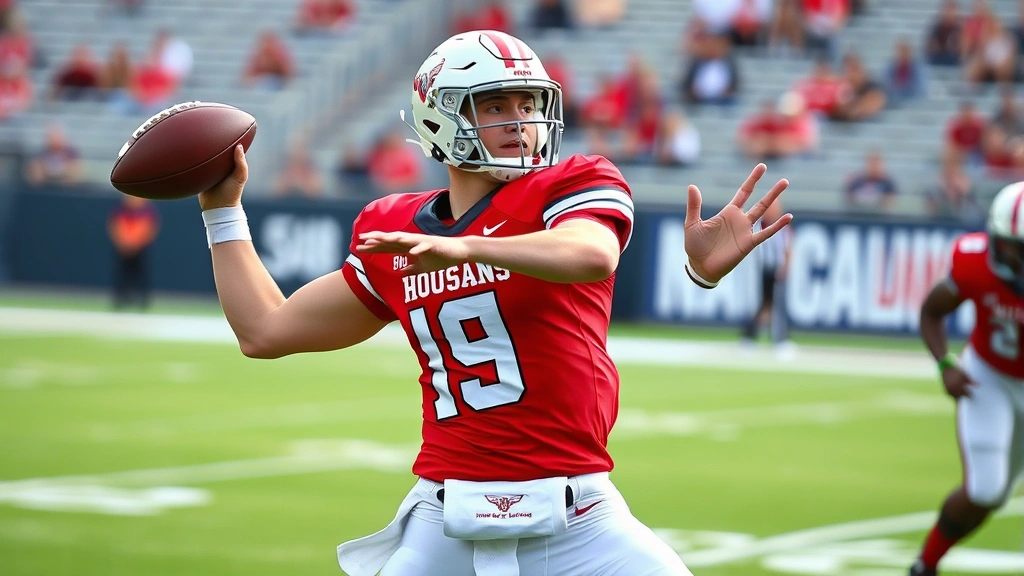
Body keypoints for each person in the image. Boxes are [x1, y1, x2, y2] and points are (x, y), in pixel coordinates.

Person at [195, 30, 792, 576]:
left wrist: (465, 250)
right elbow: (266, 331)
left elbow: (592, 253)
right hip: (443, 519)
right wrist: (223, 210)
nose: (521, 121)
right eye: (497, 105)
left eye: (529, 104)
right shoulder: (395, 228)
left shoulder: (571, 183)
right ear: (442, 115)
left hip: (579, 517)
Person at [909, 181, 1024, 576]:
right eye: (1011, 245)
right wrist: (945, 364)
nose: (1016, 257)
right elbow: (931, 311)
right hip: (989, 377)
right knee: (985, 490)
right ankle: (925, 566)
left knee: (998, 491)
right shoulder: (975, 262)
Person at [740, 199, 793, 356]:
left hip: (776, 270)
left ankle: (776, 339)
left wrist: (785, 269)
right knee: (766, 304)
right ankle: (757, 337)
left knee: (774, 306)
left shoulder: (783, 227)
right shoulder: (758, 225)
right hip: (763, 270)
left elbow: (789, 249)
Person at [107, 195, 159, 310]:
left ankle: (143, 302)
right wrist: (123, 242)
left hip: (140, 249)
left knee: (141, 276)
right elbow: (114, 226)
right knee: (122, 275)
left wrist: (136, 243)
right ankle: (119, 300)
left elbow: (150, 229)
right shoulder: (120, 210)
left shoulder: (147, 212)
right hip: (123, 248)